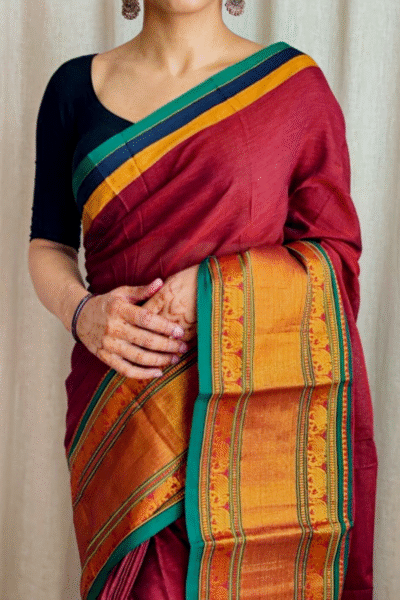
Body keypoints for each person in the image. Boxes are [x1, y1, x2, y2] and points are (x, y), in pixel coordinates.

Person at [28, 0, 378, 598]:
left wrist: (213, 290)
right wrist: (83, 313)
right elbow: (48, 244)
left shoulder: (293, 90)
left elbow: (336, 259)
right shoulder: (73, 89)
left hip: (256, 428)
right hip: (123, 417)